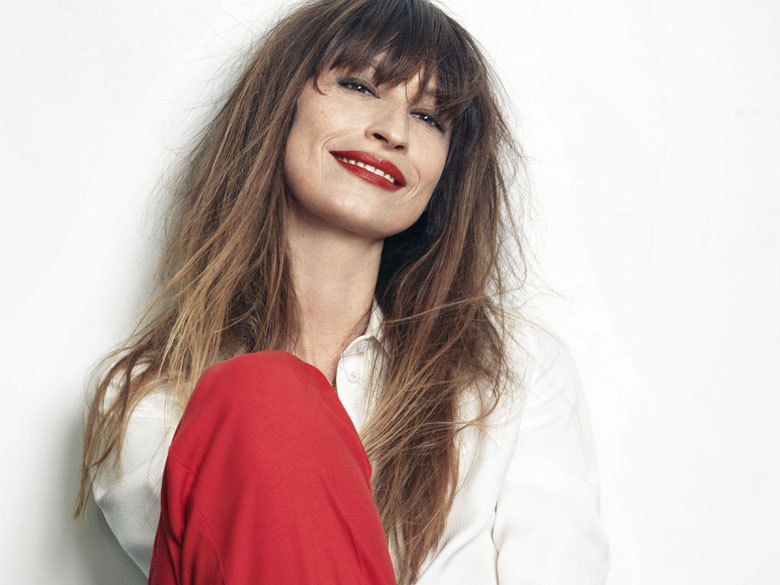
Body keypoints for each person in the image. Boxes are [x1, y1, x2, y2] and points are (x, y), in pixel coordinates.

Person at [74, 0, 610, 583]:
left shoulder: (513, 369)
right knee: (261, 398)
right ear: (282, 105)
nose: (393, 131)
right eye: (359, 86)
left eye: (429, 118)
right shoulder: (150, 398)